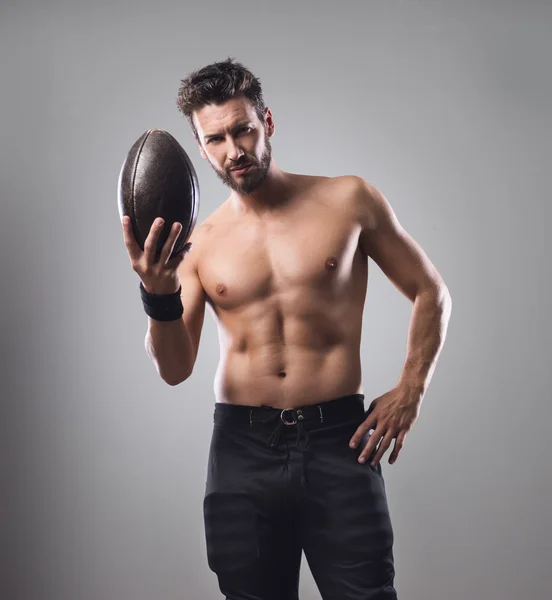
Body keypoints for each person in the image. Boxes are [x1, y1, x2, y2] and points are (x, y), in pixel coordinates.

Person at [122, 58, 452, 600]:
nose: (234, 150)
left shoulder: (348, 201)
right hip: (242, 450)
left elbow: (430, 290)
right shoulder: (197, 245)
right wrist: (157, 296)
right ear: (200, 149)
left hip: (339, 441)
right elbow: (175, 368)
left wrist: (411, 389)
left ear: (267, 121)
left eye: (243, 129)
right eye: (216, 140)